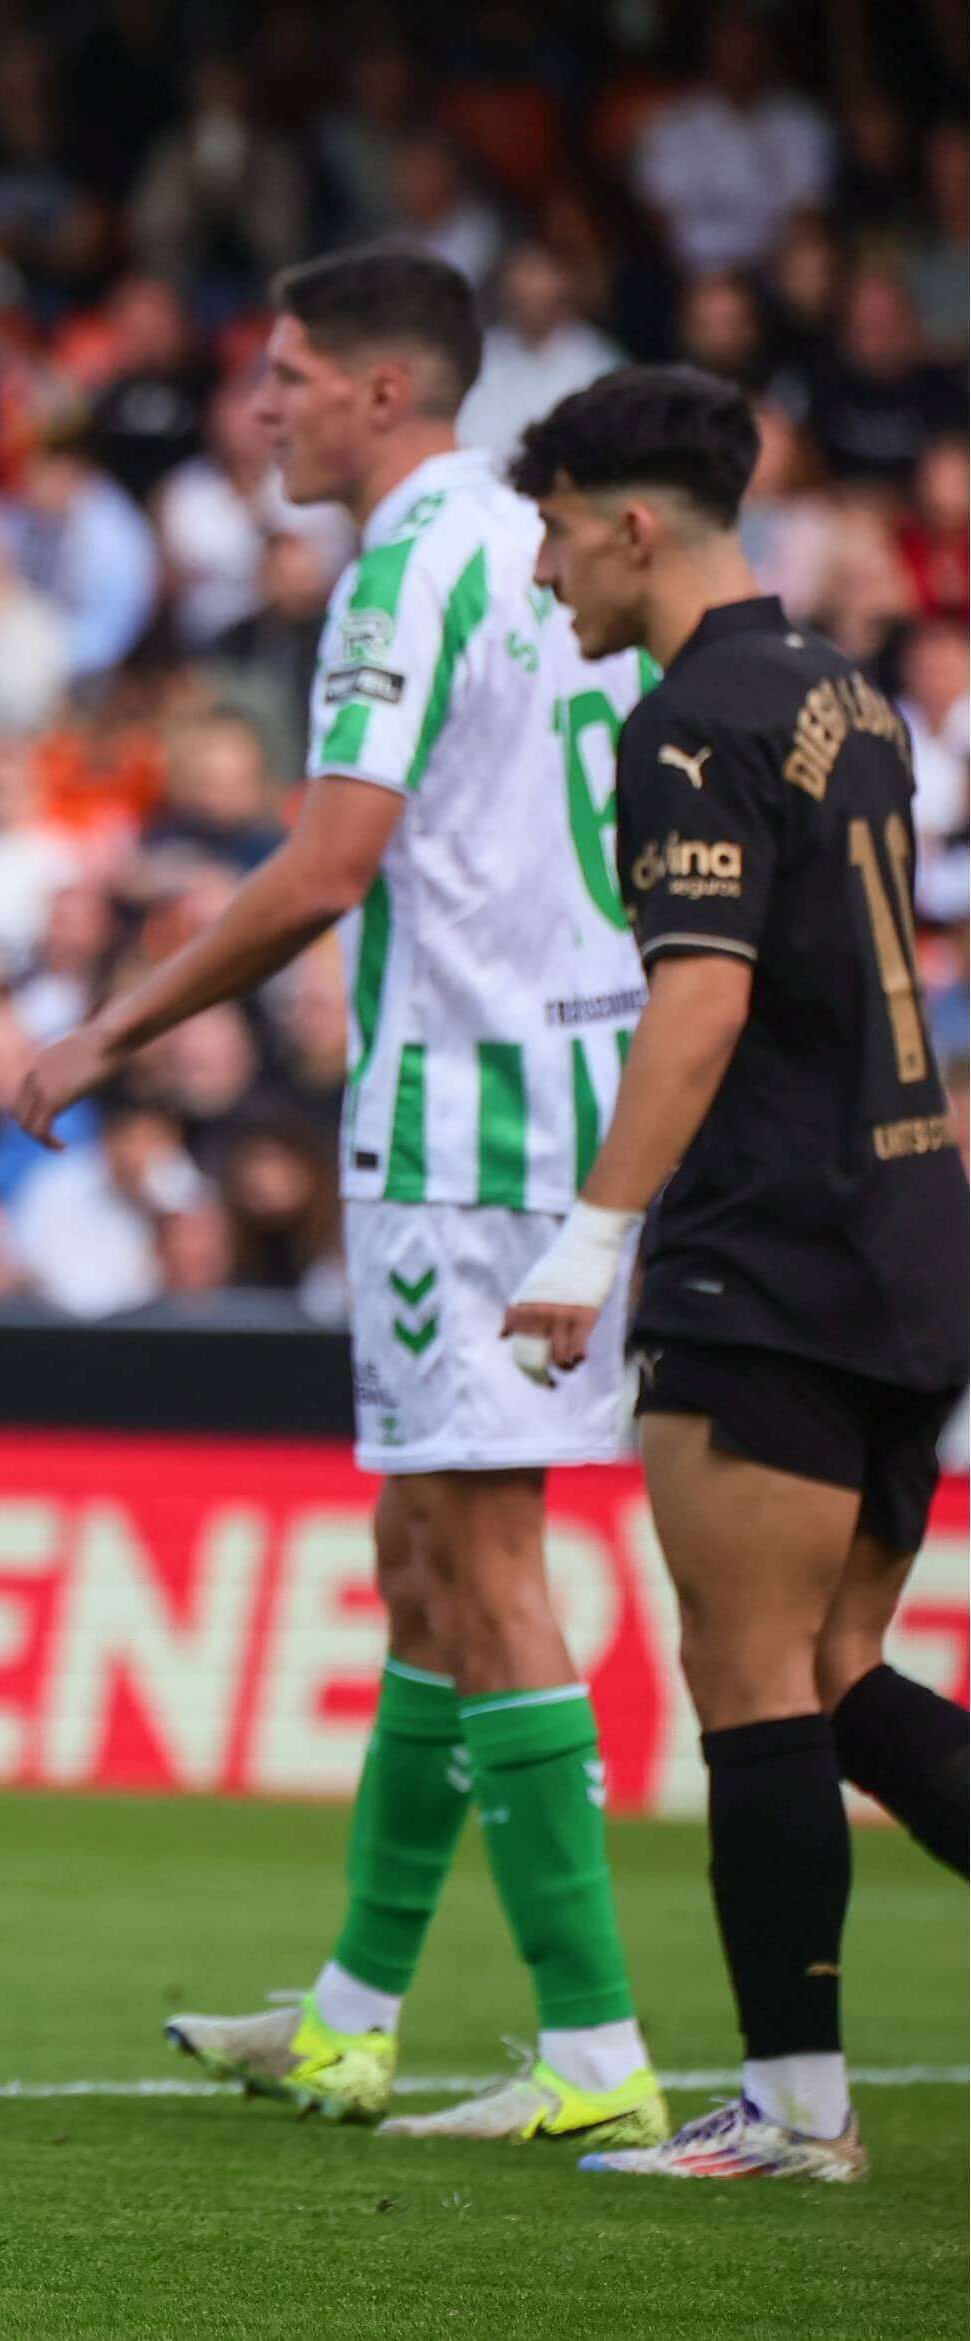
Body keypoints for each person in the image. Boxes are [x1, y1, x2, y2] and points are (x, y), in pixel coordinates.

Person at [16, 248, 670, 2149]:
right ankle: (355, 2014)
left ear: (386, 394)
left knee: (481, 1564)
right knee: (418, 1564)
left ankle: (592, 2048)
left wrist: (106, 1031)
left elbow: (325, 865)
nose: (261, 407)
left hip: (465, 1113)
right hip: (555, 1076)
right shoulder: (537, 551)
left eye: (289, 376)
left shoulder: (405, 560)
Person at [497, 366, 971, 2182]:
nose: (544, 577)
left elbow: (702, 995)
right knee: (843, 1668)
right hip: (913, 1228)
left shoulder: (684, 722)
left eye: (552, 534)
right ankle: (791, 2102)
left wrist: (592, 1233)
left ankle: (791, 2112)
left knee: (749, 1679)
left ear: (631, 523)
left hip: (771, 1244)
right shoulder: (842, 689)